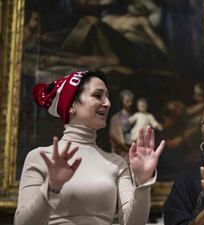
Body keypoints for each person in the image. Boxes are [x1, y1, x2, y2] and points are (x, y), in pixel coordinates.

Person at [14, 70, 165, 225]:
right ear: (72, 104)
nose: (107, 103)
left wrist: (142, 182)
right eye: (98, 95)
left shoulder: (117, 163)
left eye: (107, 96)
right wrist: (51, 188)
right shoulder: (40, 157)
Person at [109, 89, 134, 158]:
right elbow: (113, 134)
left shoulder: (134, 116)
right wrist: (123, 144)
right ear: (122, 101)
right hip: (121, 151)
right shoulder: (116, 118)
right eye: (127, 101)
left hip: (133, 149)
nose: (130, 104)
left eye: (131, 101)